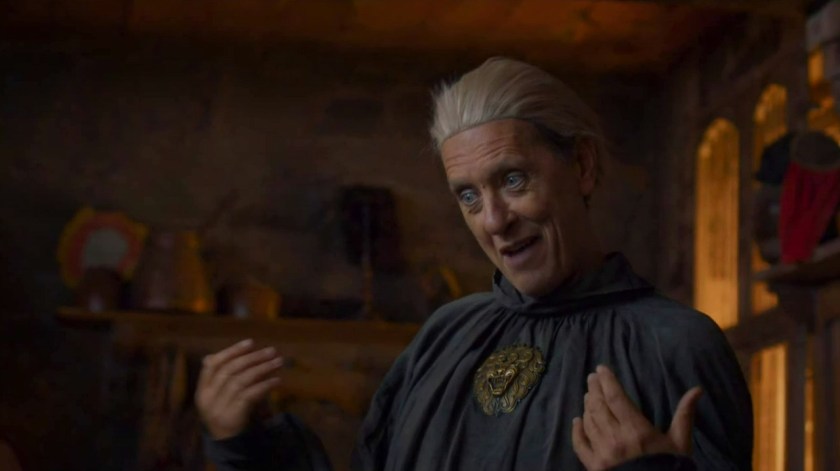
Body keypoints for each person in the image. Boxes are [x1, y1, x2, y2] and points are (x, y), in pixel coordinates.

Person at [197, 57, 753, 471]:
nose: (493, 220)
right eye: (467, 196)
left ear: (582, 166)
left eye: (513, 179)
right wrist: (247, 443)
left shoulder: (676, 345)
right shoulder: (445, 336)